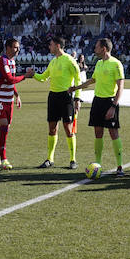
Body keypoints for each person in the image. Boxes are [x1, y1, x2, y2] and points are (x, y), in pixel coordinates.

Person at [77, 37, 126, 175]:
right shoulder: (99, 63)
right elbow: (92, 80)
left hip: (110, 102)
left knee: (113, 133)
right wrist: (76, 87)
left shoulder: (116, 64)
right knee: (98, 133)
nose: (94, 49)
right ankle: (98, 164)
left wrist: (113, 106)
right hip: (97, 101)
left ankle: (120, 166)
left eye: (97, 47)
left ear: (103, 48)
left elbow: (121, 87)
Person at [32, 35, 80, 169]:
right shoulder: (52, 62)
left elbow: (77, 80)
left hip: (66, 97)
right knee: (52, 128)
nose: (49, 47)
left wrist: (77, 99)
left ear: (58, 46)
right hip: (53, 97)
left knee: (68, 129)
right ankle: (50, 159)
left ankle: (73, 159)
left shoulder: (70, 60)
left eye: (51, 44)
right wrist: (33, 74)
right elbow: (43, 78)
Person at [0, 37, 25, 169]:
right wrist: (25, 77)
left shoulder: (12, 61)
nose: (18, 49)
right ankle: (4, 158)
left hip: (9, 100)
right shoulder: (2, 60)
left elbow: (10, 83)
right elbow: (10, 79)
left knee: (4, 130)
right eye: (16, 47)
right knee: (4, 128)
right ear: (8, 48)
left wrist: (17, 95)